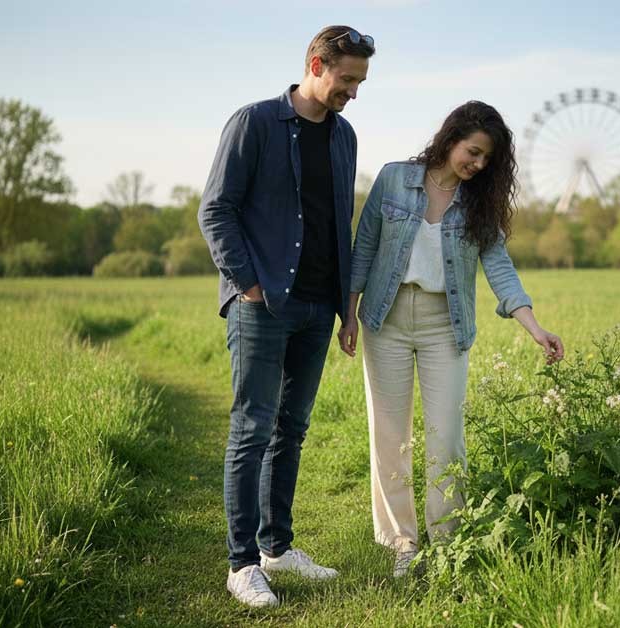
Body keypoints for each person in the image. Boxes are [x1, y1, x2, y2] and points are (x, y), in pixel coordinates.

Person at [338, 101, 565, 577]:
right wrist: (350, 314)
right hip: (387, 318)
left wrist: (535, 327)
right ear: (451, 137)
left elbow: (499, 268)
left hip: (446, 326)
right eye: (473, 152)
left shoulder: (479, 202)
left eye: (487, 160)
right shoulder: (394, 179)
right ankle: (403, 544)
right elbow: (365, 246)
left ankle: (446, 543)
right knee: (390, 436)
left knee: (447, 439)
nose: (478, 164)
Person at [198, 25, 374, 608]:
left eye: (359, 82)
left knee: (290, 431)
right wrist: (247, 285)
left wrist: (346, 309)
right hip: (262, 304)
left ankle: (277, 547)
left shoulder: (345, 135)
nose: (353, 92)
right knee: (252, 428)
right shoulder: (254, 122)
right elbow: (216, 209)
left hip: (321, 306)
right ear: (316, 65)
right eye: (347, 79)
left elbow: (338, 228)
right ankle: (241, 563)